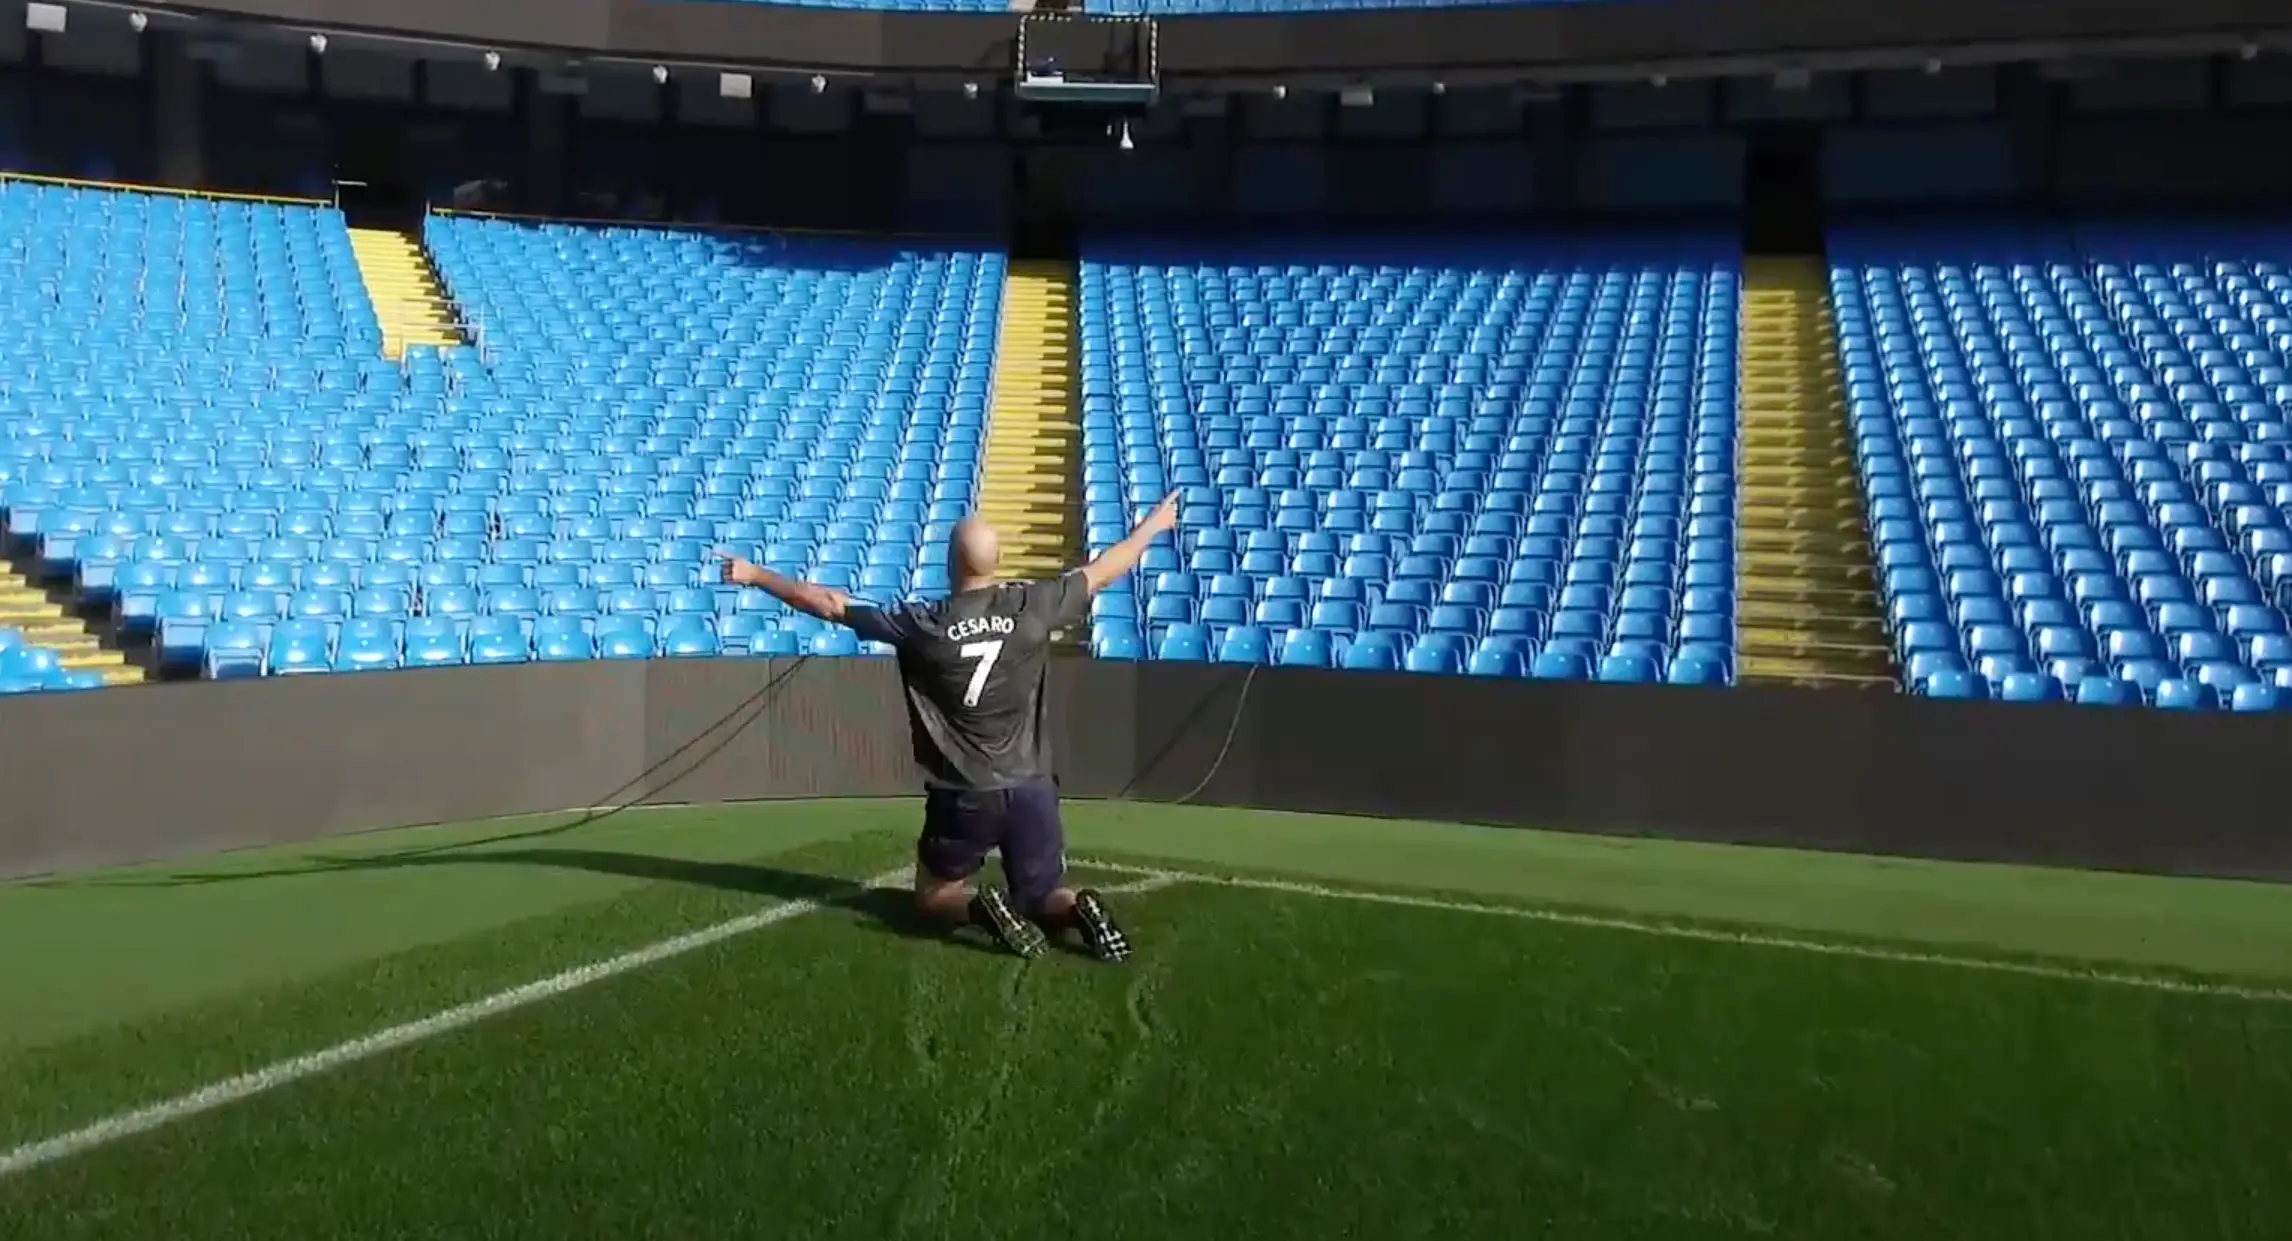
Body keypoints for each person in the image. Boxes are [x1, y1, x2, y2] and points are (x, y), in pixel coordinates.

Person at [715, 490, 1183, 961]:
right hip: (1031, 786)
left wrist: (756, 576)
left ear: (949, 563)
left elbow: (829, 605)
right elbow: (1106, 568)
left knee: (933, 894)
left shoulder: (923, 623)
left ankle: (979, 906)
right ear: (998, 561)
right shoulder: (1034, 607)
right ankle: (1079, 905)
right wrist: (1152, 527)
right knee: (1043, 895)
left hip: (965, 792)